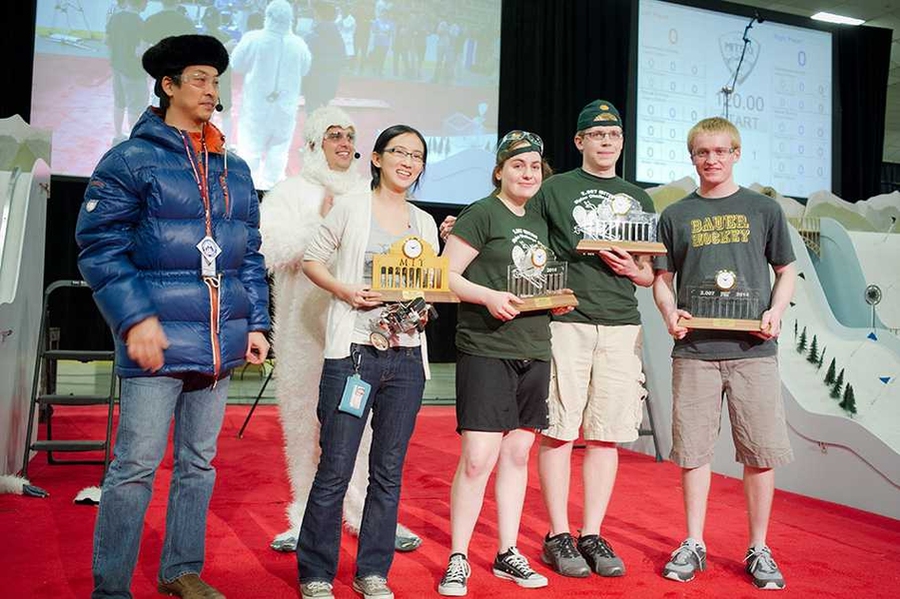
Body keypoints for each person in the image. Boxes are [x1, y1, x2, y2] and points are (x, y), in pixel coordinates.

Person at [76, 34, 270, 599]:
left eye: (216, 80)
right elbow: (99, 248)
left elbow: (248, 253)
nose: (212, 91)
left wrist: (256, 323)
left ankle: (181, 569)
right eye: (200, 80)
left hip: (216, 341)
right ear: (168, 85)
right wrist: (134, 319)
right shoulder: (131, 159)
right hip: (155, 341)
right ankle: (111, 586)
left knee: (199, 464)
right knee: (135, 466)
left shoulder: (233, 166)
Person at [260, 106, 422, 554]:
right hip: (303, 329)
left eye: (350, 135)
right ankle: (304, 515)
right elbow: (269, 248)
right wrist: (322, 224)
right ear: (314, 143)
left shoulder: (371, 191)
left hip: (363, 329)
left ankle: (367, 514)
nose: (345, 143)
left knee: (366, 428)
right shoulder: (290, 192)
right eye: (334, 135)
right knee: (304, 423)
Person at [652, 116, 796, 590]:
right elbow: (662, 279)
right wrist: (669, 314)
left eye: (720, 151)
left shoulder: (763, 209)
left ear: (736, 153)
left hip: (753, 351)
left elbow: (786, 270)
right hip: (693, 351)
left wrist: (775, 311)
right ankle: (694, 542)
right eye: (702, 153)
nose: (711, 160)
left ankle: (759, 546)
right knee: (693, 453)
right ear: (691, 157)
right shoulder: (674, 215)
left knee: (759, 453)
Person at [297, 125, 439, 599]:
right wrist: (345, 290)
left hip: (406, 358)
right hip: (354, 353)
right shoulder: (352, 207)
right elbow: (313, 259)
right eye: (398, 151)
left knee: (388, 470)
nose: (408, 161)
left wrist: (424, 306)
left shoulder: (423, 223)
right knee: (335, 467)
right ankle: (316, 574)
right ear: (376, 158)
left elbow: (427, 286)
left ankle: (372, 570)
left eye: (417, 155)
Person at [438, 131, 569, 596]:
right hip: (486, 348)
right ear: (500, 171)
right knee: (478, 459)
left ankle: (506, 552)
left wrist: (554, 301)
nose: (528, 173)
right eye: (518, 166)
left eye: (534, 166)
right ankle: (458, 556)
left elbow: (540, 276)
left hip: (533, 347)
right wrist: (488, 296)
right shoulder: (481, 213)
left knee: (517, 455)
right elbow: (445, 274)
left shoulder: (541, 220)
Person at [531, 100, 654, 579]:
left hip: (622, 323)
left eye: (615, 135)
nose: (607, 142)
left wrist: (636, 271)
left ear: (622, 143)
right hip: (568, 321)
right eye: (597, 135)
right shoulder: (554, 189)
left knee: (606, 434)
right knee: (560, 429)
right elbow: (527, 245)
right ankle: (558, 533)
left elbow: (649, 271)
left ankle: (592, 532)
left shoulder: (638, 198)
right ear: (579, 141)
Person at [231, 0, 312, 189]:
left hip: (256, 106)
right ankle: (271, 189)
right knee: (279, 151)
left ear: (267, 16)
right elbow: (305, 69)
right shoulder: (299, 44)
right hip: (285, 107)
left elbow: (237, 64)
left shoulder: (253, 39)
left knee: (250, 150)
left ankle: (246, 190)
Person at [106, 0, 148, 146]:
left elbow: (107, 41)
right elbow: (140, 52)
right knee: (135, 107)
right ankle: (135, 141)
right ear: (142, 3)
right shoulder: (141, 23)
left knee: (119, 102)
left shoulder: (115, 18)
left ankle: (118, 135)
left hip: (117, 66)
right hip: (133, 70)